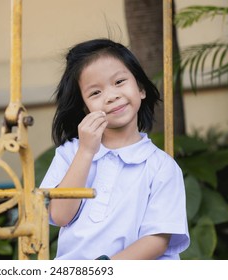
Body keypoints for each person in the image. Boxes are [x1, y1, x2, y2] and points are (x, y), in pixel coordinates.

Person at [40, 38, 190, 260]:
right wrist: (86, 151)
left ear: (140, 88)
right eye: (95, 93)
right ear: (84, 108)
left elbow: (157, 240)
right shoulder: (70, 153)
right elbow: (60, 216)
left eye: (119, 82)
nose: (111, 96)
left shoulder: (161, 166)